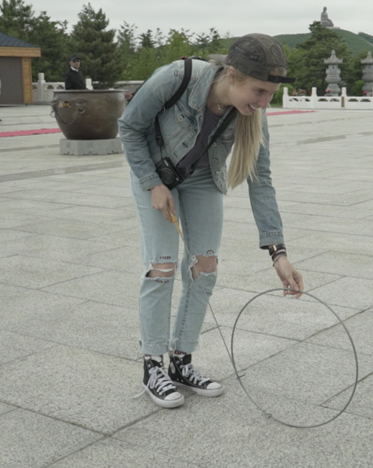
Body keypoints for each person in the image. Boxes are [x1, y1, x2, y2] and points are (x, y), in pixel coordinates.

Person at [118, 33, 304, 409]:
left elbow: (260, 179)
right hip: (154, 173)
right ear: (232, 75)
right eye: (259, 91)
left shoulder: (253, 116)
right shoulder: (177, 78)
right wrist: (153, 184)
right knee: (163, 266)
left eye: (270, 93)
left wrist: (278, 253)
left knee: (205, 265)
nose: (265, 102)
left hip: (202, 179)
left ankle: (182, 361)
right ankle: (152, 364)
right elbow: (129, 128)